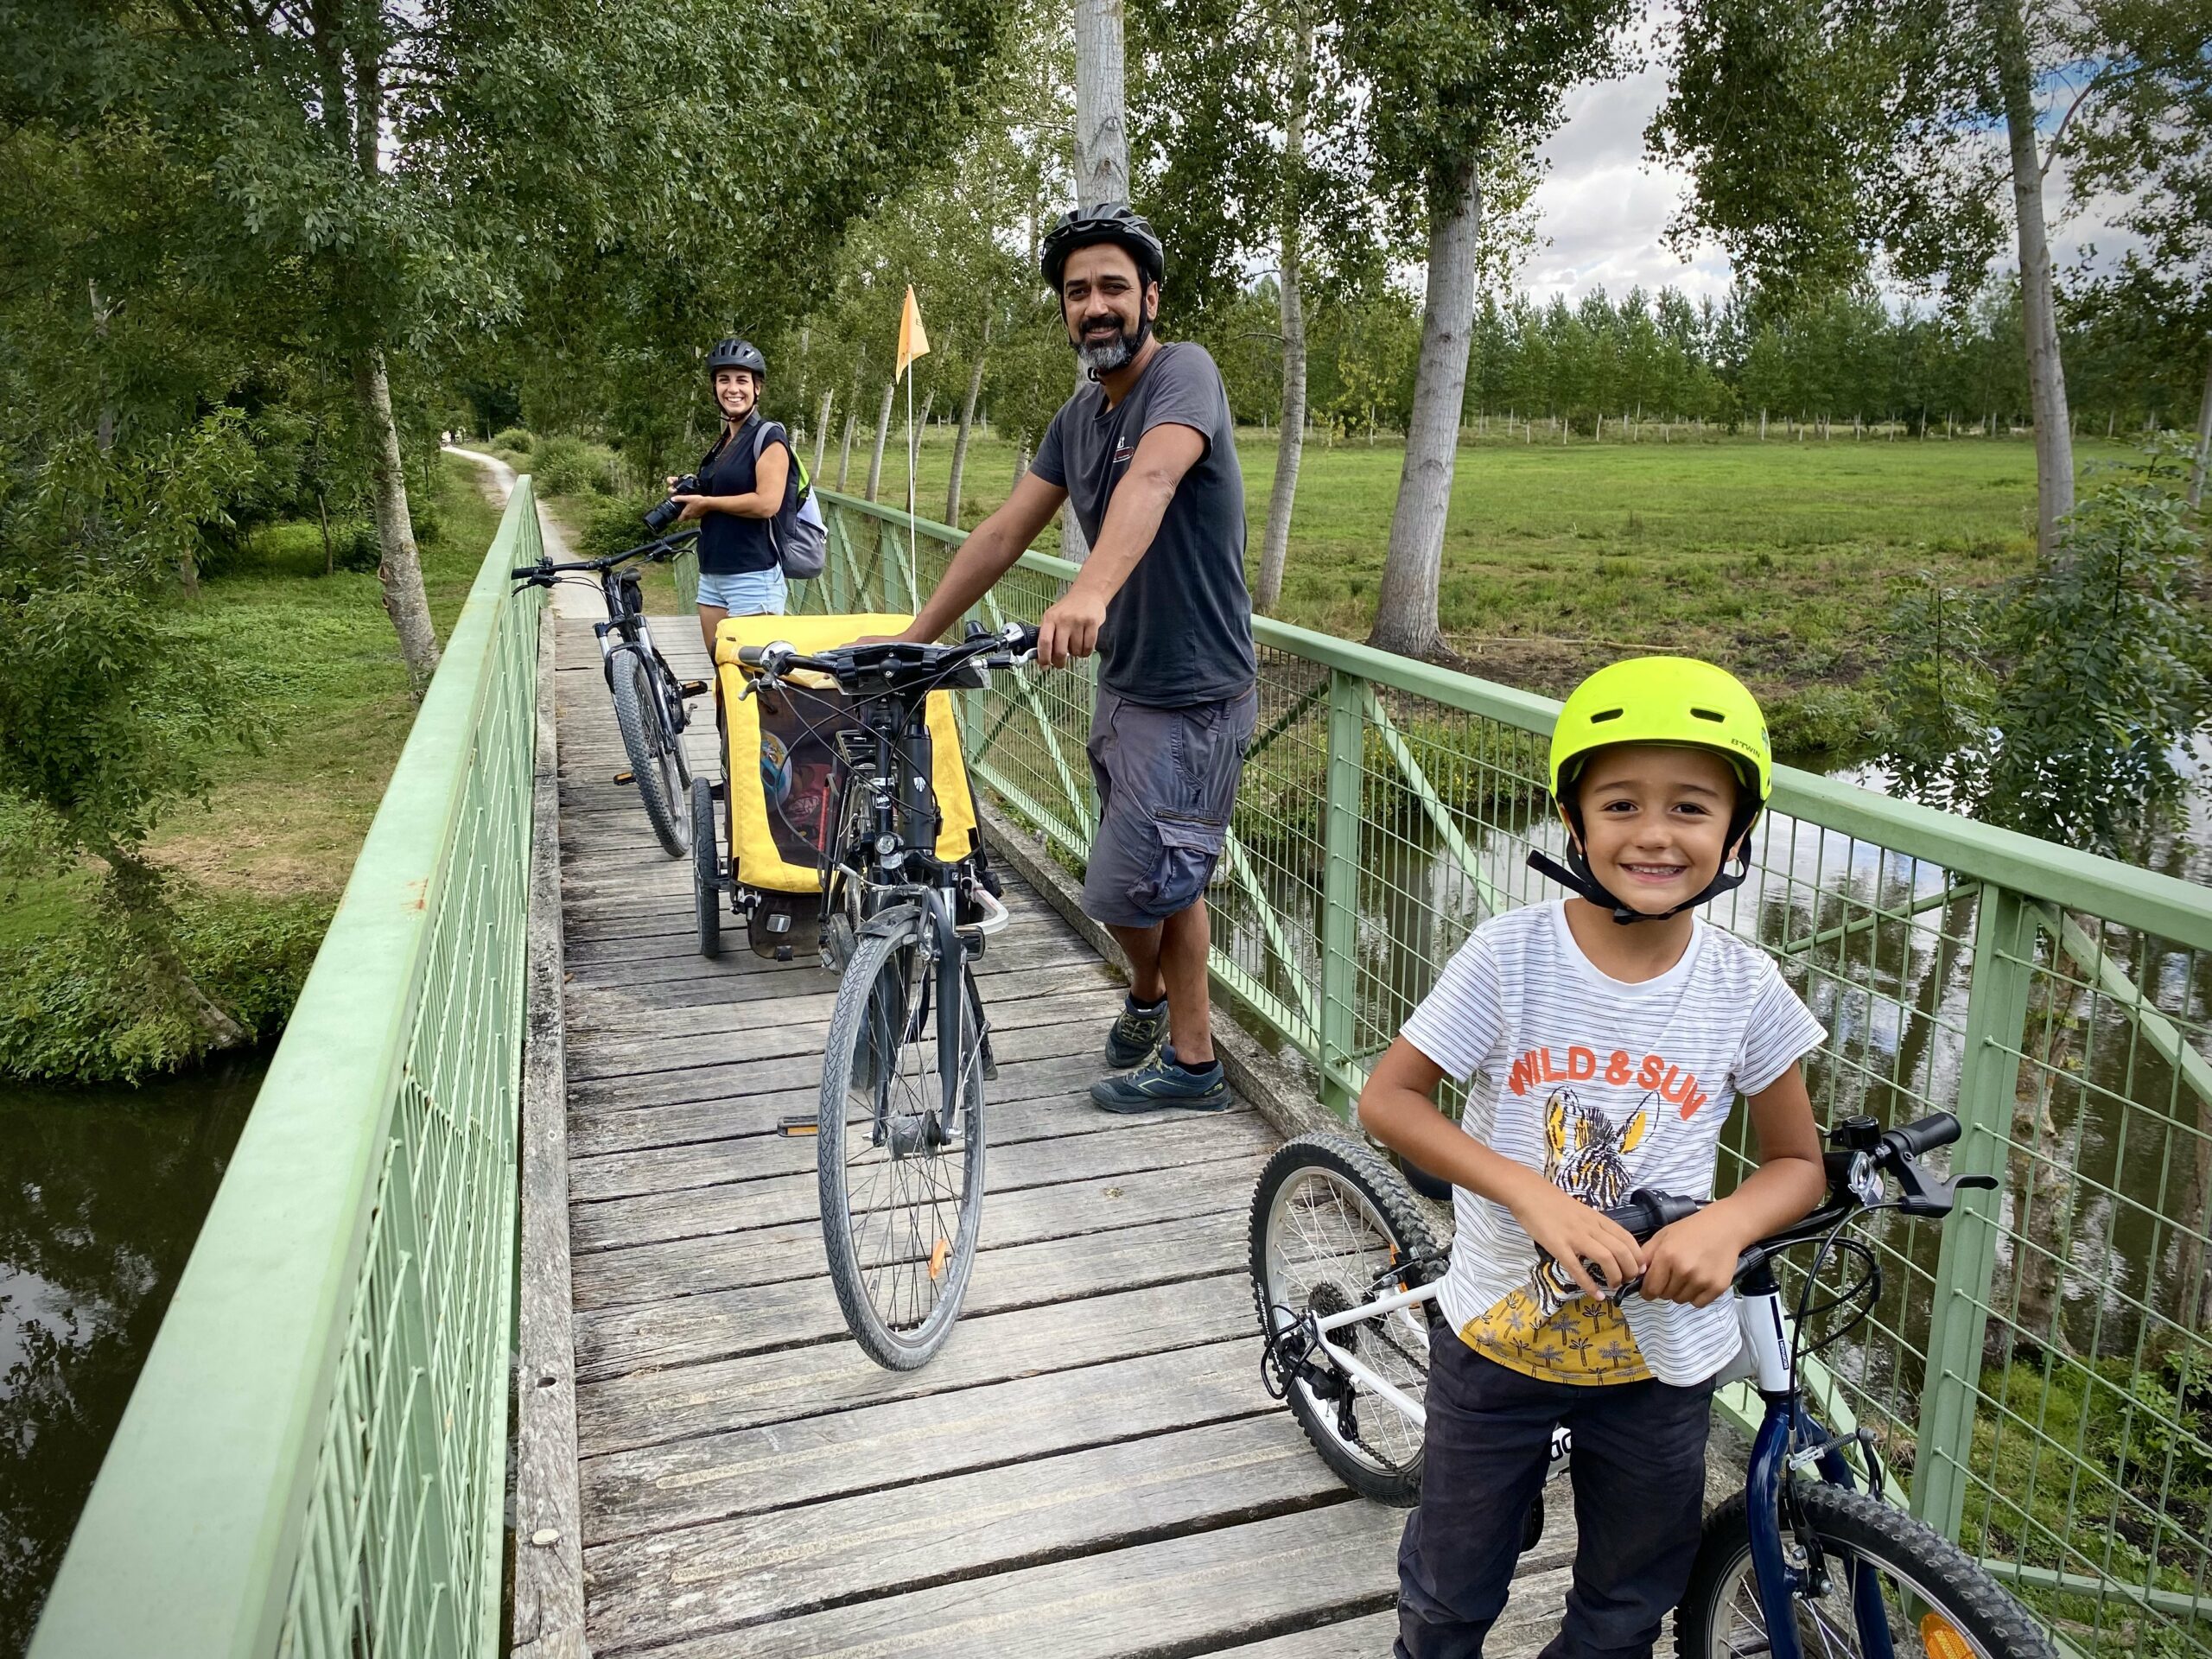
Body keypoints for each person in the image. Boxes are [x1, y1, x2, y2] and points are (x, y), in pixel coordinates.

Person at [1356, 657, 1831, 1659]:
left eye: (1690, 807)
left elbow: (1797, 1163)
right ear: (1573, 821)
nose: (1654, 833)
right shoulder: (1509, 955)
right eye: (1621, 804)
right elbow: (1389, 1101)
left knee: (1626, 1605)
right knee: (1447, 1592)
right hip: (1496, 1342)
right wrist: (1530, 1194)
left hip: (1662, 1362)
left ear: (1736, 832)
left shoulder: (1744, 986)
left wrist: (1726, 1224)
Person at [888, 202, 1257, 1115]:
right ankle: (1178, 1036)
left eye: (1112, 288)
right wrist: (914, 635)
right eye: (1077, 291)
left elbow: (1155, 478)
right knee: (1167, 879)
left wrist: (1089, 591)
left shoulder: (1183, 374)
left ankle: (1173, 1033)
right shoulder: (1078, 417)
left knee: (1127, 891)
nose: (1095, 306)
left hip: (1195, 691)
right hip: (1126, 682)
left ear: (1150, 298)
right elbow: (1005, 531)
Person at [671, 337, 792, 651]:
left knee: (754, 676)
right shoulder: (723, 442)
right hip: (712, 574)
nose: (732, 388)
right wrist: (690, 491)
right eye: (724, 380)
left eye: (742, 380)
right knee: (721, 671)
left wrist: (707, 503)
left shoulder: (769, 437)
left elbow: (767, 503)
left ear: (757, 388)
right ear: (714, 388)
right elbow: (723, 492)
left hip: (752, 576)